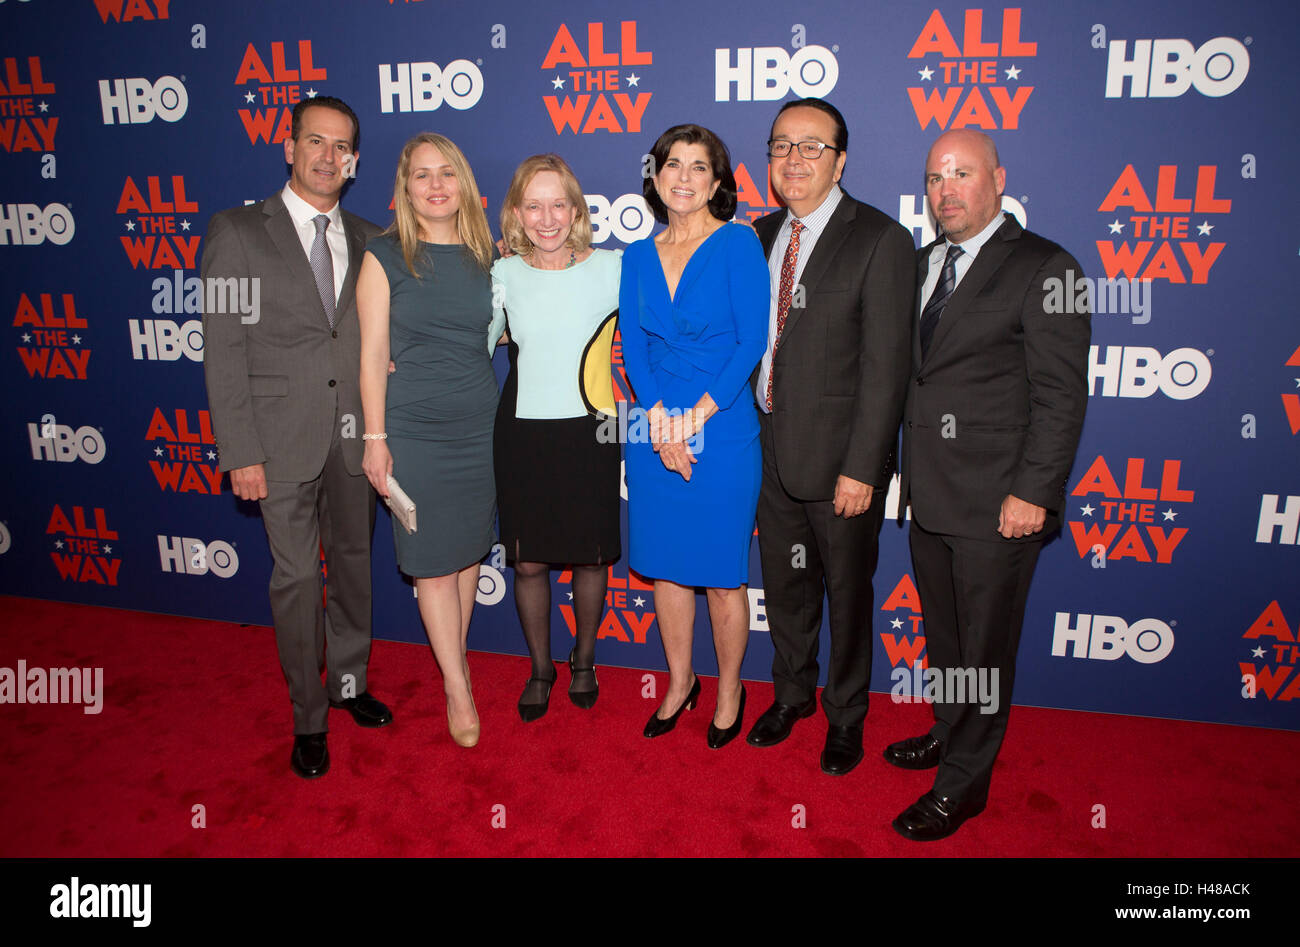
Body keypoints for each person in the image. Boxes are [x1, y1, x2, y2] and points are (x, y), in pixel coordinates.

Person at [888, 129, 1089, 840]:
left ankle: (964, 784)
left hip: (1001, 503)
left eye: (961, 173)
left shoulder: (1046, 265)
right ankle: (949, 729)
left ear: (999, 179)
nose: (946, 190)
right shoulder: (918, 266)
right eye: (935, 178)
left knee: (985, 650)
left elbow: (1061, 396)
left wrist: (1033, 491)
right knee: (946, 639)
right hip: (931, 495)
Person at [202, 96, 390, 780]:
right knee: (295, 581)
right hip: (276, 442)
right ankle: (308, 716)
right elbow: (221, 350)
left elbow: (370, 337)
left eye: (342, 147)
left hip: (354, 438)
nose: (328, 155)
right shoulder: (237, 231)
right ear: (289, 147)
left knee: (353, 569)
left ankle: (348, 683)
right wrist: (240, 449)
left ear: (356, 161)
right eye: (315, 140)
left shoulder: (373, 236)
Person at [745, 98, 915, 776]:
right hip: (766, 450)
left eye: (811, 147)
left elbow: (886, 367)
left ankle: (846, 716)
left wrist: (864, 466)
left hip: (843, 463)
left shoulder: (880, 238)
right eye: (782, 145)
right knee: (785, 588)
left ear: (841, 159)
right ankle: (792, 694)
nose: (794, 159)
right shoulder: (757, 235)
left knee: (846, 591)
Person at [618, 124, 770, 748]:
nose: (682, 177)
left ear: (717, 181)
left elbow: (749, 344)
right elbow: (634, 345)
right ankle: (680, 683)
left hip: (723, 425)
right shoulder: (635, 254)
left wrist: (692, 420)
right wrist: (658, 419)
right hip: (653, 428)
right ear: (653, 176)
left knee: (721, 576)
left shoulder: (738, 245)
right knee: (666, 572)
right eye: (670, 164)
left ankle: (729, 688)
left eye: (698, 166)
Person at [356, 133, 497, 749]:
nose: (436, 185)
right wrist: (375, 437)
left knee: (466, 554)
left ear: (463, 184)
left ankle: (454, 661)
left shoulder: (487, 256)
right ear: (403, 189)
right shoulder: (383, 256)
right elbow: (371, 354)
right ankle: (457, 688)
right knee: (432, 566)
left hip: (480, 425)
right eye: (421, 175)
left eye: (447, 174)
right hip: (412, 429)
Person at [487, 154, 622, 722]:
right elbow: (472, 347)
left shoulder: (614, 268)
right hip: (521, 435)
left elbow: (658, 334)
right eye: (533, 205)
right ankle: (541, 667)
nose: (547, 218)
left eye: (558, 204)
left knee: (592, 559)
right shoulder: (502, 274)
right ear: (517, 212)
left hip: (593, 429)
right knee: (529, 563)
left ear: (576, 209)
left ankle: (584, 660)